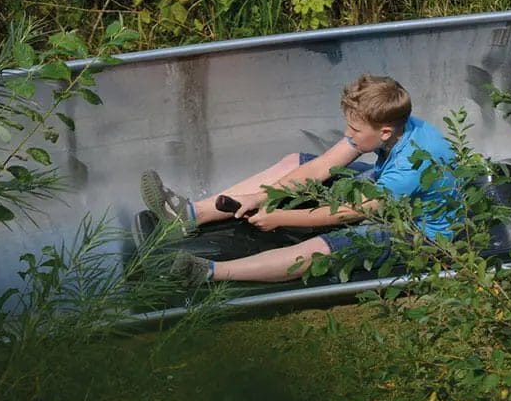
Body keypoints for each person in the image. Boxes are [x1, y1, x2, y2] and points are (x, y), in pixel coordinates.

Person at [139, 74, 461, 285]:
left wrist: (280, 217)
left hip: (418, 235)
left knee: (327, 247)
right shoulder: (389, 123)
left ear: (385, 132)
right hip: (388, 195)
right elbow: (320, 168)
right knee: (296, 161)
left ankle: (208, 273)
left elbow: (346, 212)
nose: (348, 136)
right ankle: (191, 213)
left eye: (354, 131)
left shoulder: (410, 167)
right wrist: (260, 197)